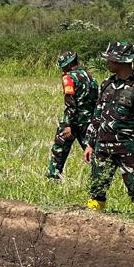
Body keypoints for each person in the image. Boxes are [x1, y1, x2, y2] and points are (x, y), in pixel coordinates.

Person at [83, 41, 134, 222]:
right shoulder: (107, 85)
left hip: (129, 149)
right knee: (97, 187)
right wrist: (90, 143)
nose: (108, 63)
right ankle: (93, 222)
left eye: (111, 59)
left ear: (122, 62)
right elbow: (97, 115)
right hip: (103, 147)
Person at [46, 50, 99, 180]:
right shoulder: (91, 77)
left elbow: (70, 103)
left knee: (59, 149)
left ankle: (53, 176)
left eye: (63, 67)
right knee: (92, 150)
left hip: (74, 121)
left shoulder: (68, 78)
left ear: (69, 65)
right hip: (89, 121)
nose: (63, 70)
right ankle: (99, 177)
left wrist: (68, 124)